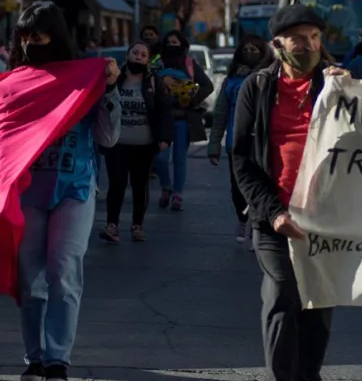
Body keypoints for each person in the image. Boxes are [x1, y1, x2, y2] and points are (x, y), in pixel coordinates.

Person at [231, 4, 349, 381]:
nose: (309, 45)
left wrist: (353, 98)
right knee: (281, 297)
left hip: (325, 220)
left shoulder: (339, 87)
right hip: (274, 218)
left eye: (315, 37)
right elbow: (241, 158)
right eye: (299, 38)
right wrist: (273, 212)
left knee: (316, 307)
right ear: (278, 43)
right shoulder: (256, 88)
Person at [13, 1, 122, 381]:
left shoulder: (86, 77)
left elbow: (108, 137)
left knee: (63, 271)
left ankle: (58, 360)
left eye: (37, 36)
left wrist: (109, 90)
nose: (29, 44)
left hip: (75, 187)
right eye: (24, 37)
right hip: (28, 190)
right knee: (30, 280)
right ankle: (35, 358)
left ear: (55, 35)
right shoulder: (16, 80)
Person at [99, 41, 172, 243]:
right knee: (117, 185)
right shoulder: (115, 79)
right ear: (128, 55)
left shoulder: (153, 82)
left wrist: (165, 138)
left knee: (140, 186)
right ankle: (112, 225)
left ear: (148, 60)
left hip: (144, 145)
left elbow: (165, 111)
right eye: (135, 53)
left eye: (143, 54)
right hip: (117, 143)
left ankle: (137, 225)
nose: (138, 57)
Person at [207, 34, 274, 244]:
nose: (250, 53)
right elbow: (220, 114)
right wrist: (214, 145)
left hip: (262, 143)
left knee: (260, 186)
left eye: (255, 50)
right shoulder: (231, 80)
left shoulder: (269, 78)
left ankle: (256, 225)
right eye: (246, 49)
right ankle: (242, 218)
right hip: (235, 143)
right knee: (238, 188)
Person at [154, 29, 214, 211]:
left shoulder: (189, 64)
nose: (172, 46)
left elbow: (207, 86)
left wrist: (191, 98)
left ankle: (177, 194)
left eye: (175, 42)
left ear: (183, 45)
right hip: (162, 120)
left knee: (180, 159)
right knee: (160, 158)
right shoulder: (157, 64)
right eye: (169, 43)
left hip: (182, 120)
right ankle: (166, 187)